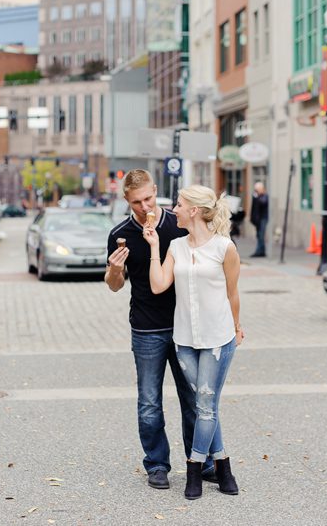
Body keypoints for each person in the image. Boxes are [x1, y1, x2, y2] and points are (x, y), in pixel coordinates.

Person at [105, 170, 215, 490]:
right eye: (137, 202)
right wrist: (114, 269)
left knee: (192, 398)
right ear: (127, 200)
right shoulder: (120, 234)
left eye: (149, 198)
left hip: (184, 326)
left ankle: (202, 460)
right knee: (149, 402)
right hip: (146, 329)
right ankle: (156, 463)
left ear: (156, 191)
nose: (144, 206)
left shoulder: (177, 225)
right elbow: (114, 286)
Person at [143, 185, 244, 500]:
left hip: (218, 337)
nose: (174, 208)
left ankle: (194, 470)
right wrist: (154, 247)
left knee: (204, 405)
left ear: (195, 211)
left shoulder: (224, 248)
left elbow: (232, 292)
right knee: (206, 406)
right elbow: (159, 285)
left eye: (179, 204)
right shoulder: (175, 246)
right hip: (184, 340)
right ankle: (223, 465)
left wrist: (238, 326)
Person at [249, 181, 269, 257]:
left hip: (263, 218)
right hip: (258, 219)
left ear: (262, 189)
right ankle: (262, 251)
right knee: (259, 235)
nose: (256, 191)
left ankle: (259, 251)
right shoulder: (256, 197)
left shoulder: (265, 196)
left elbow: (263, 203)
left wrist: (257, 197)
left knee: (261, 235)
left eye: (257, 190)